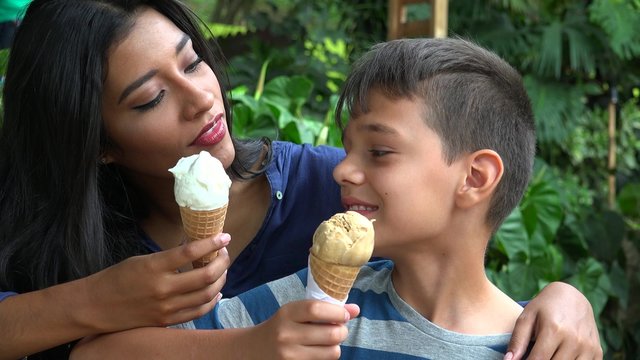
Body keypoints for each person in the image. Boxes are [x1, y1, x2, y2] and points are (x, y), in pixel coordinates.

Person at [0, 0, 600, 359]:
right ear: (98, 143)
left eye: (192, 62)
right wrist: (95, 301)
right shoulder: (301, 296)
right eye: (152, 97)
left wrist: (566, 301)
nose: (203, 98)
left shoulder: (329, 197)